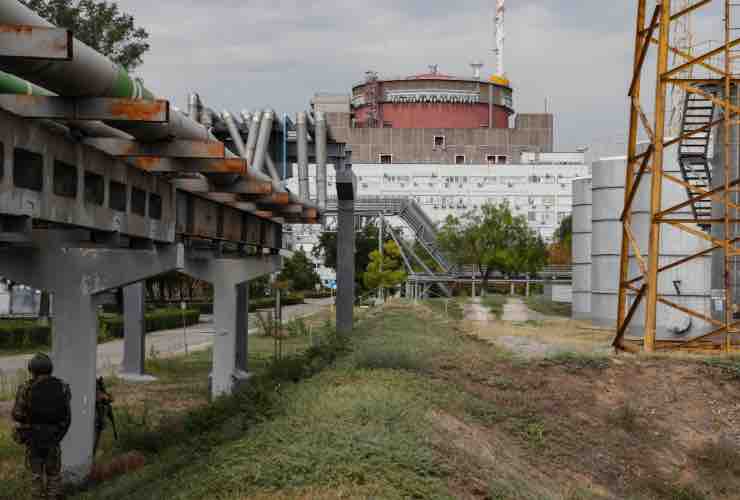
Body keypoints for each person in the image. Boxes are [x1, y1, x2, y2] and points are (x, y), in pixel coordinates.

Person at [12, 353, 71, 500]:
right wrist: (58, 435)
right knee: (54, 477)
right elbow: (67, 416)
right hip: (53, 439)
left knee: (36, 477)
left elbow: (17, 414)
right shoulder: (63, 386)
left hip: (34, 439)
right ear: (50, 368)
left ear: (32, 370)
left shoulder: (25, 387)